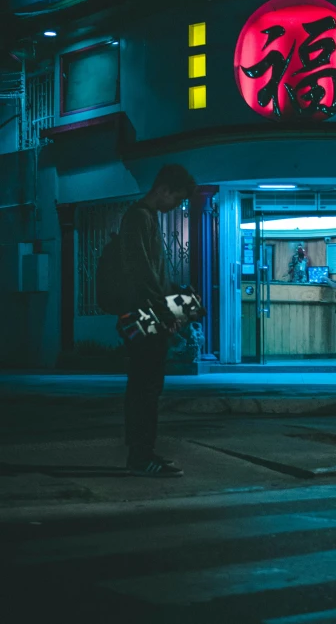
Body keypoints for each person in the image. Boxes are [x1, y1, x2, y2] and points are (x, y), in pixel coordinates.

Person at [118, 164, 197, 477]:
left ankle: (144, 453)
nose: (175, 207)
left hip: (151, 312)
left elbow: (152, 275)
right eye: (176, 200)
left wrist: (175, 305)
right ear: (164, 189)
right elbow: (142, 274)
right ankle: (140, 456)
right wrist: (168, 313)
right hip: (144, 315)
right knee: (145, 388)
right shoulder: (138, 218)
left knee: (148, 386)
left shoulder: (146, 218)